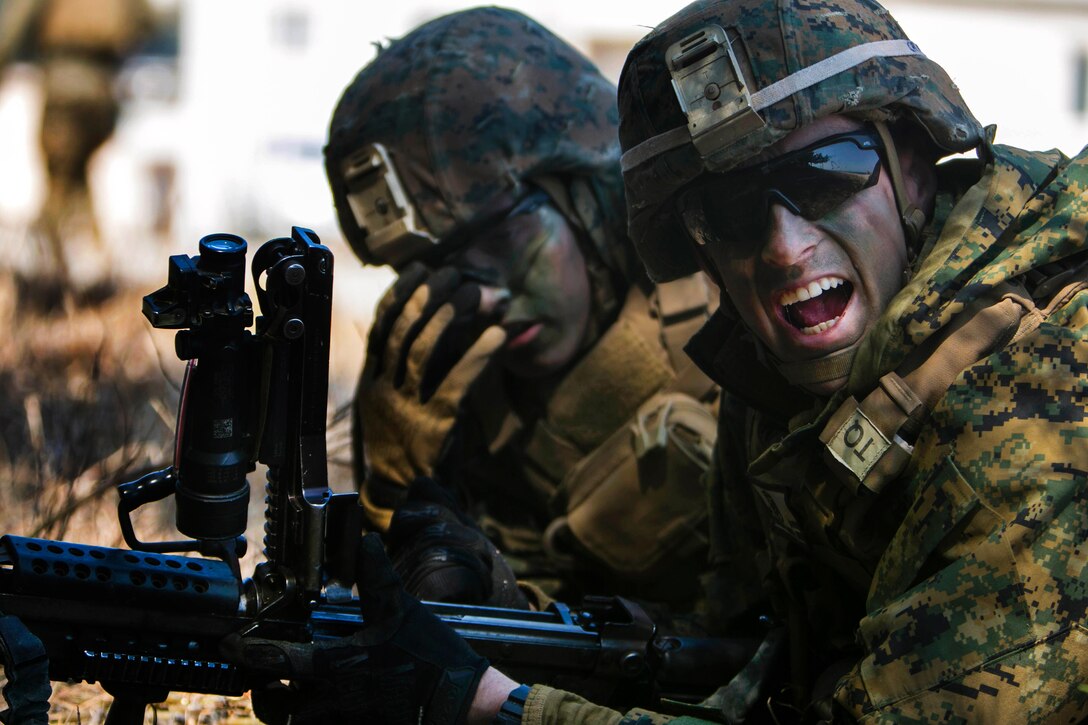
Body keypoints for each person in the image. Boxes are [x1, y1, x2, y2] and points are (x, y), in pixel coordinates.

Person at [232, 0, 1088, 723]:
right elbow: (752, 653)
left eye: (827, 171)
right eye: (734, 208)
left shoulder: (1034, 394)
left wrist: (492, 703)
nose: (785, 249)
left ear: (911, 160)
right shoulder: (776, 373)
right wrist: (504, 614)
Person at [323, 8, 720, 613]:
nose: (485, 295)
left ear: (586, 195)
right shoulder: (445, 405)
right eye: (445, 270)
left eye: (502, 241)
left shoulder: (737, 292)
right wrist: (397, 497)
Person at [0, 0, 152, 296]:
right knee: (78, 181)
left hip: (65, 82)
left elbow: (18, 23)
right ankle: (92, 275)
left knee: (58, 186)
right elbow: (144, 20)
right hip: (104, 90)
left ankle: (54, 285)